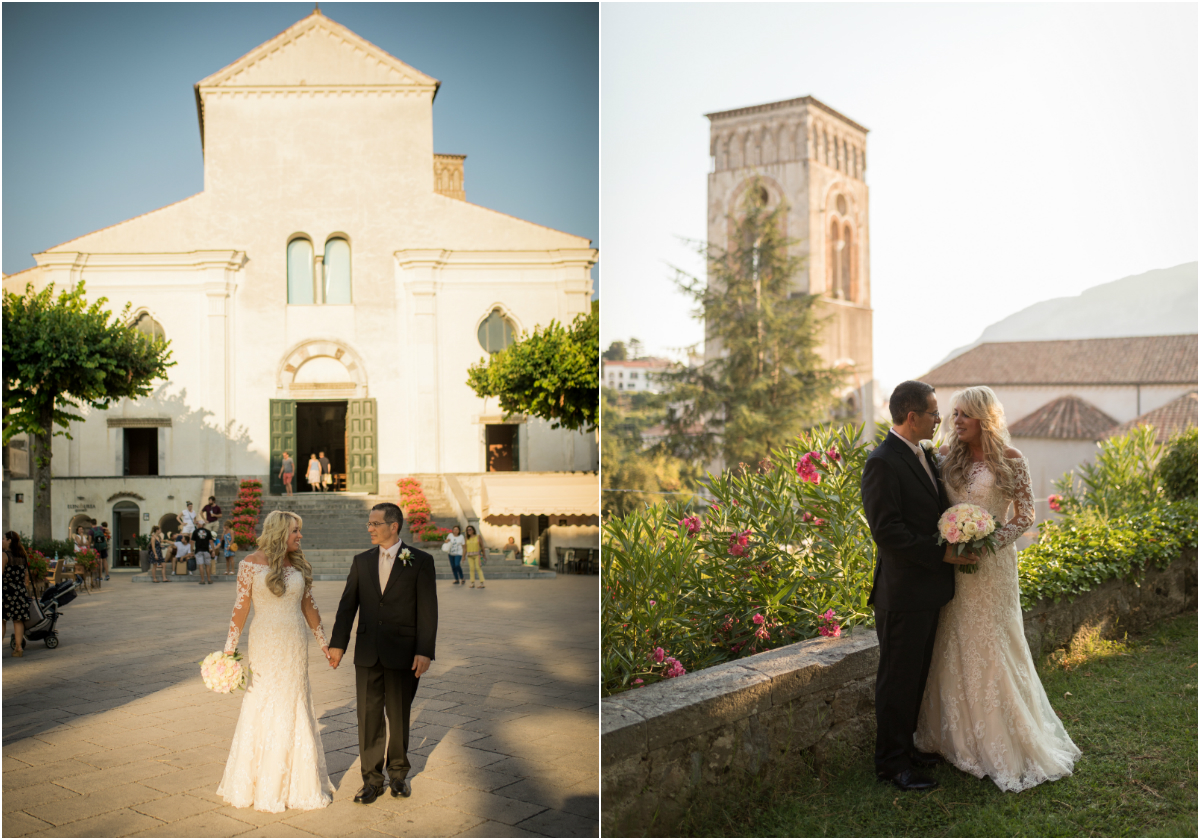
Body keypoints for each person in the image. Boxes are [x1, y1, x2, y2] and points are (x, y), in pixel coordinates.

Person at [914, 386, 1081, 792]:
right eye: (953, 414)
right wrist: (956, 543)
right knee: (955, 641)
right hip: (956, 568)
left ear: (984, 419)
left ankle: (1006, 740)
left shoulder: (1011, 460)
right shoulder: (944, 459)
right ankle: (955, 738)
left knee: (995, 643)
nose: (956, 422)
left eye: (964, 415)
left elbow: (1025, 516)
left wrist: (988, 542)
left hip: (994, 568)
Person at [860, 380, 965, 792]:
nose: (939, 419)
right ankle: (890, 764)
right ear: (911, 416)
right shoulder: (882, 462)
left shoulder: (922, 454)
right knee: (897, 681)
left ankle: (906, 749)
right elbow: (887, 532)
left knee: (917, 675)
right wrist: (940, 554)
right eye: (934, 412)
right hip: (901, 594)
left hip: (928, 591)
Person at [217, 510, 334, 812]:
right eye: (296, 531)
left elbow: (310, 607)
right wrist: (227, 653)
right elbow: (240, 609)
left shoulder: (297, 564)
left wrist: (324, 643)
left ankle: (297, 784)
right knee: (264, 701)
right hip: (265, 643)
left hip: (294, 645)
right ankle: (258, 783)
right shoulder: (249, 565)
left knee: (293, 702)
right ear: (280, 532)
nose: (300, 536)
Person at [328, 503, 438, 805]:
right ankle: (372, 780)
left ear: (394, 526)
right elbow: (347, 605)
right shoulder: (361, 561)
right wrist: (338, 643)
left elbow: (428, 610)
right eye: (369, 523)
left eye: (376, 523)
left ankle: (399, 775)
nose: (370, 528)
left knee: (399, 716)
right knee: (368, 717)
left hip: (403, 653)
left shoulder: (420, 561)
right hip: (367, 652)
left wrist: (424, 651)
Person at [3, 532, 31, 658]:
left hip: (6, 591)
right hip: (20, 591)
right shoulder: (22, 555)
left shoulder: (4, 555)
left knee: (2, 620)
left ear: (9, 541)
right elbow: (26, 576)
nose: (1, 541)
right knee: (18, 620)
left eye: (3, 539)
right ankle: (18, 648)